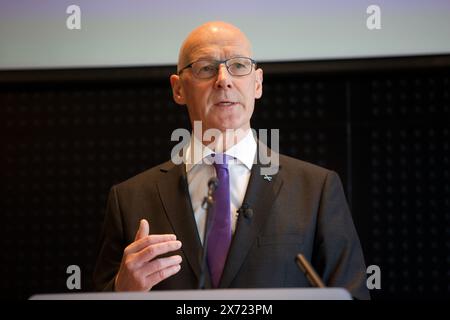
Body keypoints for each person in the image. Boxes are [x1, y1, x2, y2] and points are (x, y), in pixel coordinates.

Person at [93, 21, 370, 299]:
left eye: (238, 66)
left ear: (257, 83)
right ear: (178, 89)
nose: (223, 79)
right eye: (205, 67)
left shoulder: (316, 189)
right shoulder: (129, 200)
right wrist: (121, 290)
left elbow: (352, 295)